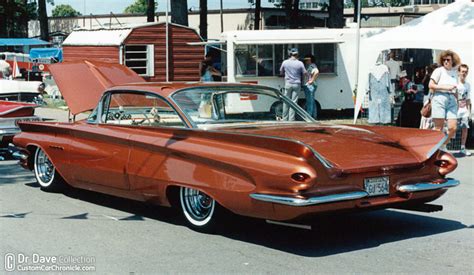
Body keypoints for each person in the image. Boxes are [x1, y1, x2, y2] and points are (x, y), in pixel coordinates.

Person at [429, 50, 461, 150]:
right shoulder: (438, 71)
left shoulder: (455, 73)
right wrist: (445, 87)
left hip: (452, 99)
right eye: (444, 60)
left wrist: (458, 100)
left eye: (448, 60)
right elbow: (431, 85)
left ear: (453, 61)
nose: (446, 62)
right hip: (440, 97)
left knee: (453, 127)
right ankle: (436, 148)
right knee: (438, 127)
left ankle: (442, 144)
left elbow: (455, 88)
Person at [280, 48, 305, 121]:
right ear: (297, 54)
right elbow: (304, 73)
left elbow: (281, 72)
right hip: (297, 84)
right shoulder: (300, 63)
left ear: (290, 54)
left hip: (288, 83)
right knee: (294, 102)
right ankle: (291, 119)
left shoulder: (285, 62)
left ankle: (285, 118)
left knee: (286, 101)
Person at [456, 64, 471, 156]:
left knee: (465, 129)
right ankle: (443, 148)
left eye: (466, 72)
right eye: (462, 72)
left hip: (464, 110)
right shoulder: (455, 84)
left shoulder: (468, 85)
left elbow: (468, 98)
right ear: (459, 72)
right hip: (455, 110)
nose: (464, 74)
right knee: (451, 129)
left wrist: (469, 110)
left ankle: (462, 148)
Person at [303, 54, 319, 119]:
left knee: (310, 101)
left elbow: (317, 72)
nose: (305, 61)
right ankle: (314, 115)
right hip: (310, 85)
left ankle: (309, 117)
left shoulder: (312, 66)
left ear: (310, 60)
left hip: (310, 86)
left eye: (307, 60)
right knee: (312, 101)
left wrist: (311, 80)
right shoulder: (309, 66)